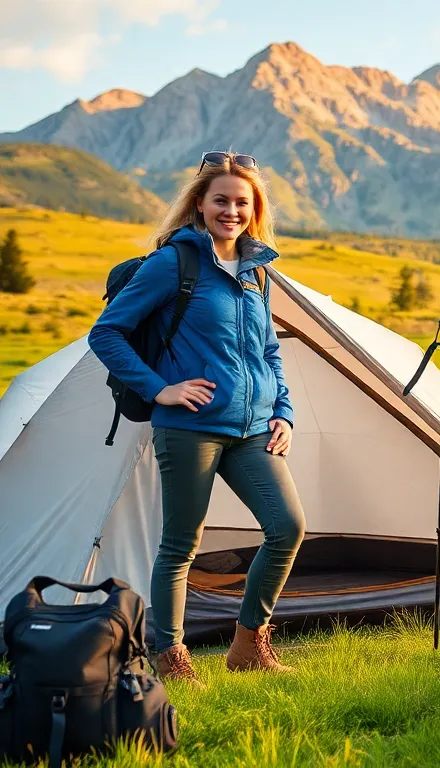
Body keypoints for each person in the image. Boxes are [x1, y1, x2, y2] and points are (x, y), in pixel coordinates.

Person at [89, 151, 304, 684]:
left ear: (254, 210)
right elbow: (107, 333)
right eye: (221, 200)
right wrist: (161, 389)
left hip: (254, 428)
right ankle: (172, 654)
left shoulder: (258, 271)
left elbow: (269, 352)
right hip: (191, 428)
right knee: (182, 542)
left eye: (242, 202)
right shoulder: (173, 263)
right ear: (200, 204)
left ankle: (249, 643)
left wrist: (284, 412)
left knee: (287, 527)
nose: (231, 210)